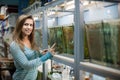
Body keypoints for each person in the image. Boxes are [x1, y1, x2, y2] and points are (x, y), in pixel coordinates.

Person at [10, 14, 55, 80]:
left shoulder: (31, 41)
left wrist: (41, 54)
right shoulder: (15, 45)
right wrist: (47, 56)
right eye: (26, 24)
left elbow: (32, 57)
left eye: (31, 25)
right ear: (19, 26)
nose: (29, 27)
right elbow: (27, 65)